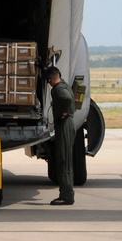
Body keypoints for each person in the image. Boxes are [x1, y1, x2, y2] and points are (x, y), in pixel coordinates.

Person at [46, 65, 75, 206]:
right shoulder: (64, 85)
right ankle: (67, 193)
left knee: (64, 161)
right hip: (67, 124)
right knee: (65, 159)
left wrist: (64, 112)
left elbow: (68, 99)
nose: (49, 83)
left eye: (49, 80)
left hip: (64, 125)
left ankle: (66, 196)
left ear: (52, 78)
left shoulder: (58, 89)